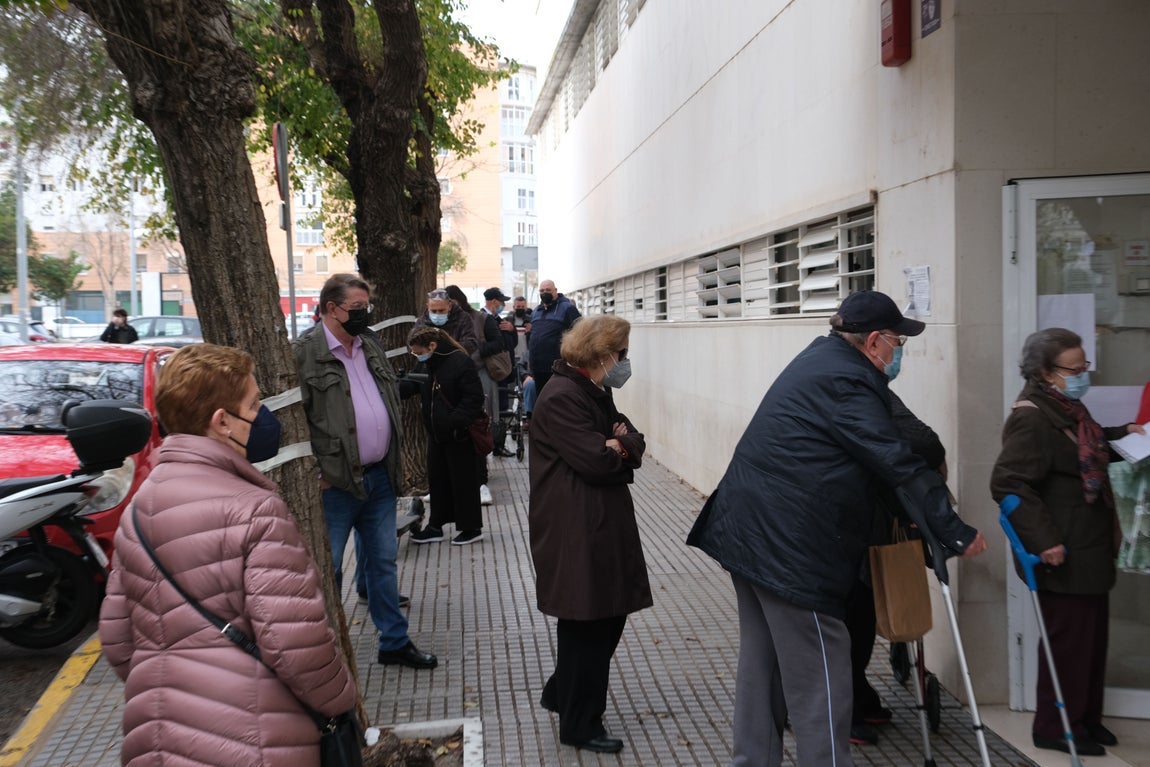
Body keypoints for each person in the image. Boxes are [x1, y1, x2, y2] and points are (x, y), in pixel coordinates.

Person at [687, 290, 987, 767]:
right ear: (873, 342)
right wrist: (953, 529)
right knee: (822, 676)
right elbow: (896, 459)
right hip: (789, 548)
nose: (899, 350)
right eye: (897, 341)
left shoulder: (821, 358)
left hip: (749, 534)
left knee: (762, 667)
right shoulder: (848, 383)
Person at [99, 344, 357, 766]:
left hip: (156, 737)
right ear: (223, 422)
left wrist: (175, 691)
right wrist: (338, 703)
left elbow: (117, 638)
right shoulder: (256, 511)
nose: (264, 417)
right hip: (253, 739)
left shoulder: (139, 508)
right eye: (254, 405)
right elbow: (295, 644)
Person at [990, 327, 1145, 756]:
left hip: (1090, 547)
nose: (1082, 375)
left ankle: (1085, 720)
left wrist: (1124, 433)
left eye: (1084, 367)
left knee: (1091, 641)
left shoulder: (1066, 407)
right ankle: (1054, 726)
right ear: (1045, 372)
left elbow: (1081, 450)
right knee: (1068, 643)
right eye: (1074, 369)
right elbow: (1009, 483)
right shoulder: (1032, 416)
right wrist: (1044, 541)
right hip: (1063, 550)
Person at [294, 273, 437, 670]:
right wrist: (317, 472)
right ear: (329, 309)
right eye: (356, 309)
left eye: (365, 308)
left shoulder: (368, 343)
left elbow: (385, 394)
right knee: (331, 568)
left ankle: (394, 642)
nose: (364, 315)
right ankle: (326, 653)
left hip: (378, 477)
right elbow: (296, 419)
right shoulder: (304, 352)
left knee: (383, 563)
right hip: (335, 485)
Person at [529, 314, 650, 755]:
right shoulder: (563, 396)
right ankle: (579, 724)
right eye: (621, 354)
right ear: (601, 356)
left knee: (602, 617)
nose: (624, 362)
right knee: (588, 622)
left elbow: (632, 439)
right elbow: (596, 462)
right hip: (575, 529)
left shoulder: (594, 389)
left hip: (597, 523)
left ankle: (562, 694)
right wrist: (614, 447)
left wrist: (621, 443)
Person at [846, 391, 948, 746]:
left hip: (863, 525)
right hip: (843, 530)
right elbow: (926, 444)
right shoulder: (854, 387)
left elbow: (923, 446)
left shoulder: (868, 388)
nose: (896, 351)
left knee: (856, 621)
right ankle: (845, 709)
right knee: (848, 622)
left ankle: (857, 698)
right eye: (894, 339)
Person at [402, 325, 487, 545]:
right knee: (438, 481)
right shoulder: (428, 364)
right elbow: (413, 384)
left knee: (463, 482)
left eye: (419, 352)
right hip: (437, 435)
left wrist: (453, 422)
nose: (417, 357)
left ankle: (471, 527)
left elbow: (473, 398)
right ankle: (436, 525)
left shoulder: (460, 362)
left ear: (432, 346)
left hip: (459, 435)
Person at [444, 284, 500, 504]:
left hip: (477, 375)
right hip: (451, 380)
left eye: (451, 304)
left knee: (478, 424)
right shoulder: (443, 320)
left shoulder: (480, 318)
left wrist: (476, 351)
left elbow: (498, 343)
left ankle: (481, 479)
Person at [528, 279, 581, 395]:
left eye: (548, 290)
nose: (544, 293)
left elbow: (580, 333)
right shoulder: (536, 311)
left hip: (557, 368)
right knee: (541, 401)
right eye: (541, 291)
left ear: (555, 291)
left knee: (556, 400)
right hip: (537, 368)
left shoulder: (567, 308)